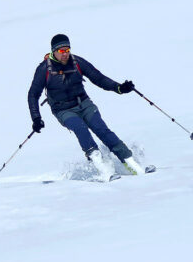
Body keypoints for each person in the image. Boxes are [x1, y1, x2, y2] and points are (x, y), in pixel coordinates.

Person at [27, 34, 144, 174]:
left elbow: (98, 78)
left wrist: (119, 88)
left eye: (67, 50)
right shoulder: (44, 69)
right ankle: (102, 167)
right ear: (54, 51)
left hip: (84, 103)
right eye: (61, 51)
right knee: (81, 129)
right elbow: (33, 95)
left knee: (102, 130)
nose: (65, 54)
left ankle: (131, 163)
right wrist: (36, 118)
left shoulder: (77, 62)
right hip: (63, 110)